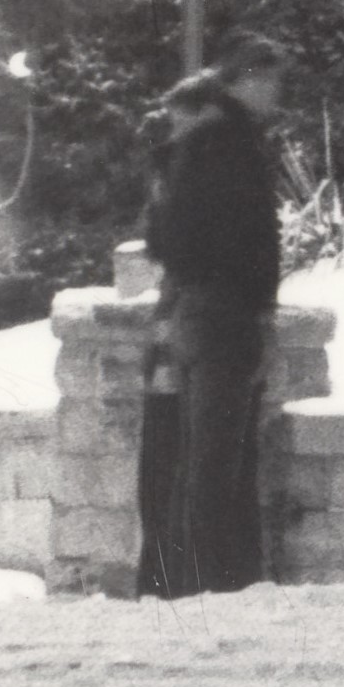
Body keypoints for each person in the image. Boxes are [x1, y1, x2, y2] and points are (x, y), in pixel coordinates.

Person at [136, 29, 285, 598]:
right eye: (268, 78)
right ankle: (202, 582)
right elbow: (248, 238)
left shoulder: (199, 144)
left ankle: (182, 578)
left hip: (195, 309)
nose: (275, 92)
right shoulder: (229, 142)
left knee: (189, 455)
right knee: (212, 461)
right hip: (221, 311)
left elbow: (167, 238)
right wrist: (256, 304)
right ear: (245, 79)